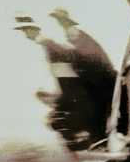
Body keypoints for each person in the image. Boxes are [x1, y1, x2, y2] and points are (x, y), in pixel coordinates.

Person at [14, 17, 103, 151]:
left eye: (26, 31)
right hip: (74, 91)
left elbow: (68, 74)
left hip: (77, 93)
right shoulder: (48, 45)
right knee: (56, 119)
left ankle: (94, 142)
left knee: (57, 120)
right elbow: (63, 76)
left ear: (33, 29)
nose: (26, 36)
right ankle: (88, 142)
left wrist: (59, 98)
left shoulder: (49, 45)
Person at [48, 7, 116, 136]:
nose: (59, 22)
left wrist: (63, 53)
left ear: (67, 21)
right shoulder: (72, 34)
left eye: (61, 19)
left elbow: (85, 54)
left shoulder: (75, 33)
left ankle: (101, 135)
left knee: (98, 107)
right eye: (58, 19)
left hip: (100, 77)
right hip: (96, 77)